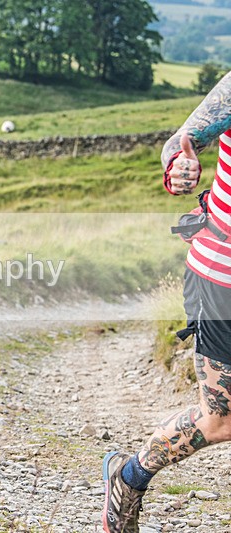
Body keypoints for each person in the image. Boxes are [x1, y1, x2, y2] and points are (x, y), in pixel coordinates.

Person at [101, 71, 231, 532]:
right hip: (223, 277)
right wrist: (180, 165)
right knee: (220, 422)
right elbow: (183, 141)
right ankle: (129, 476)